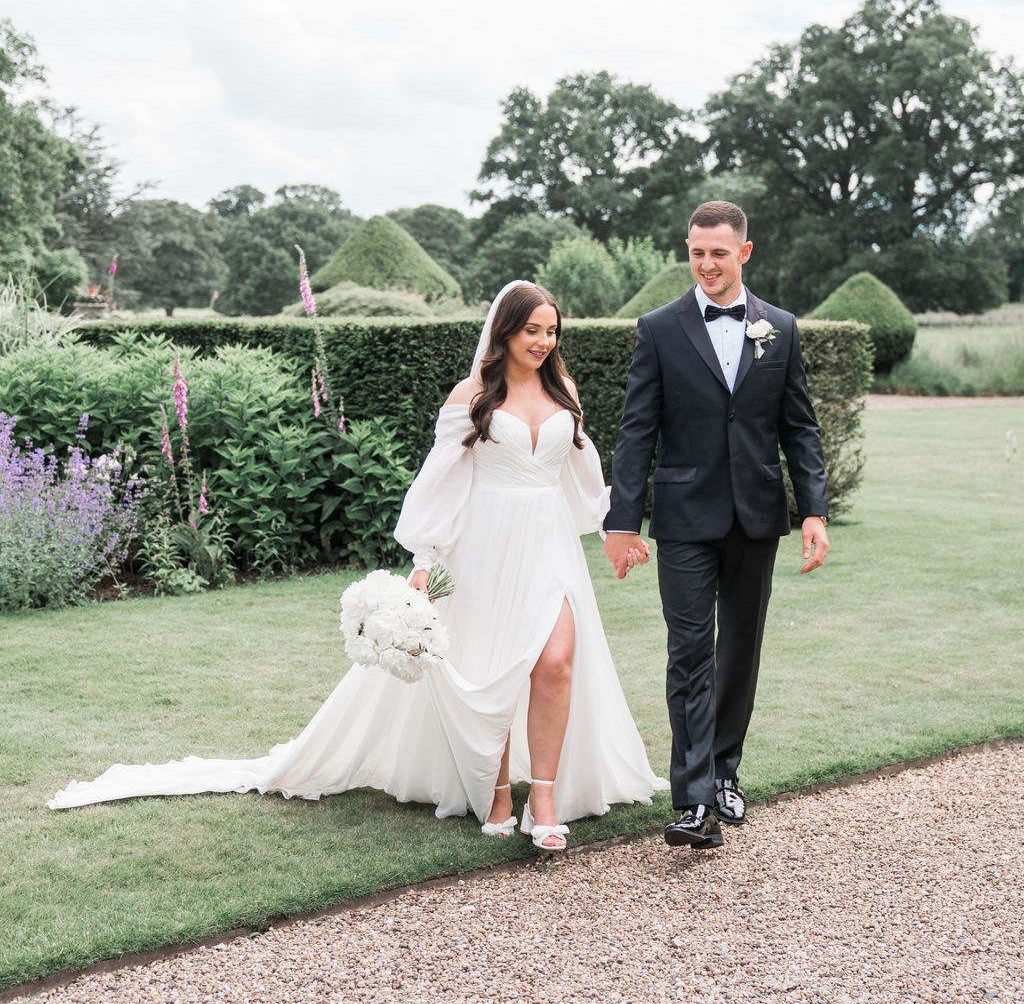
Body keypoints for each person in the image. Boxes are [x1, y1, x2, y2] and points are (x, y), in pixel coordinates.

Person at [50, 281, 666, 851]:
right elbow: (439, 483)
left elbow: (582, 474)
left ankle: (549, 797)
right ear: (504, 332)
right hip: (483, 545)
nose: (543, 341)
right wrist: (425, 559)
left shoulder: (565, 392)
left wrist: (617, 528)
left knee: (556, 662)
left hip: (548, 545)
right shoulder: (472, 396)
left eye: (551, 330)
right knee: (492, 670)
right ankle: (499, 794)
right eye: (532, 329)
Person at [604, 202, 828, 850]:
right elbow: (636, 431)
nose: (706, 265)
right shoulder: (658, 329)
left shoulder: (779, 330)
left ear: (745, 253)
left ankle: (726, 771)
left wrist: (812, 510)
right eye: (697, 253)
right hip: (683, 520)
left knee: (741, 651)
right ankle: (694, 798)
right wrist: (623, 522)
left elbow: (800, 430)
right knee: (690, 651)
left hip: (756, 517)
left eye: (719, 254)